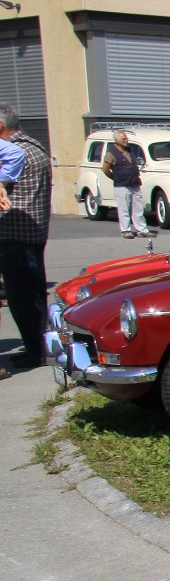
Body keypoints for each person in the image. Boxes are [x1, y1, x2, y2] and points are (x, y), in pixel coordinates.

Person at [0, 103, 50, 376]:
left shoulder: (16, 152)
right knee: (32, 295)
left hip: (17, 234)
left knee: (22, 298)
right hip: (32, 232)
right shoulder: (34, 146)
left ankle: (36, 350)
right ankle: (37, 347)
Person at [103, 129, 153, 239]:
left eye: (126, 138)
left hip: (134, 183)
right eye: (123, 139)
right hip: (122, 185)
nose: (126, 140)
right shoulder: (111, 154)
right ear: (116, 141)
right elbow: (105, 169)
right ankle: (126, 230)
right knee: (124, 209)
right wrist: (115, 177)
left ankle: (142, 230)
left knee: (138, 209)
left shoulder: (130, 150)